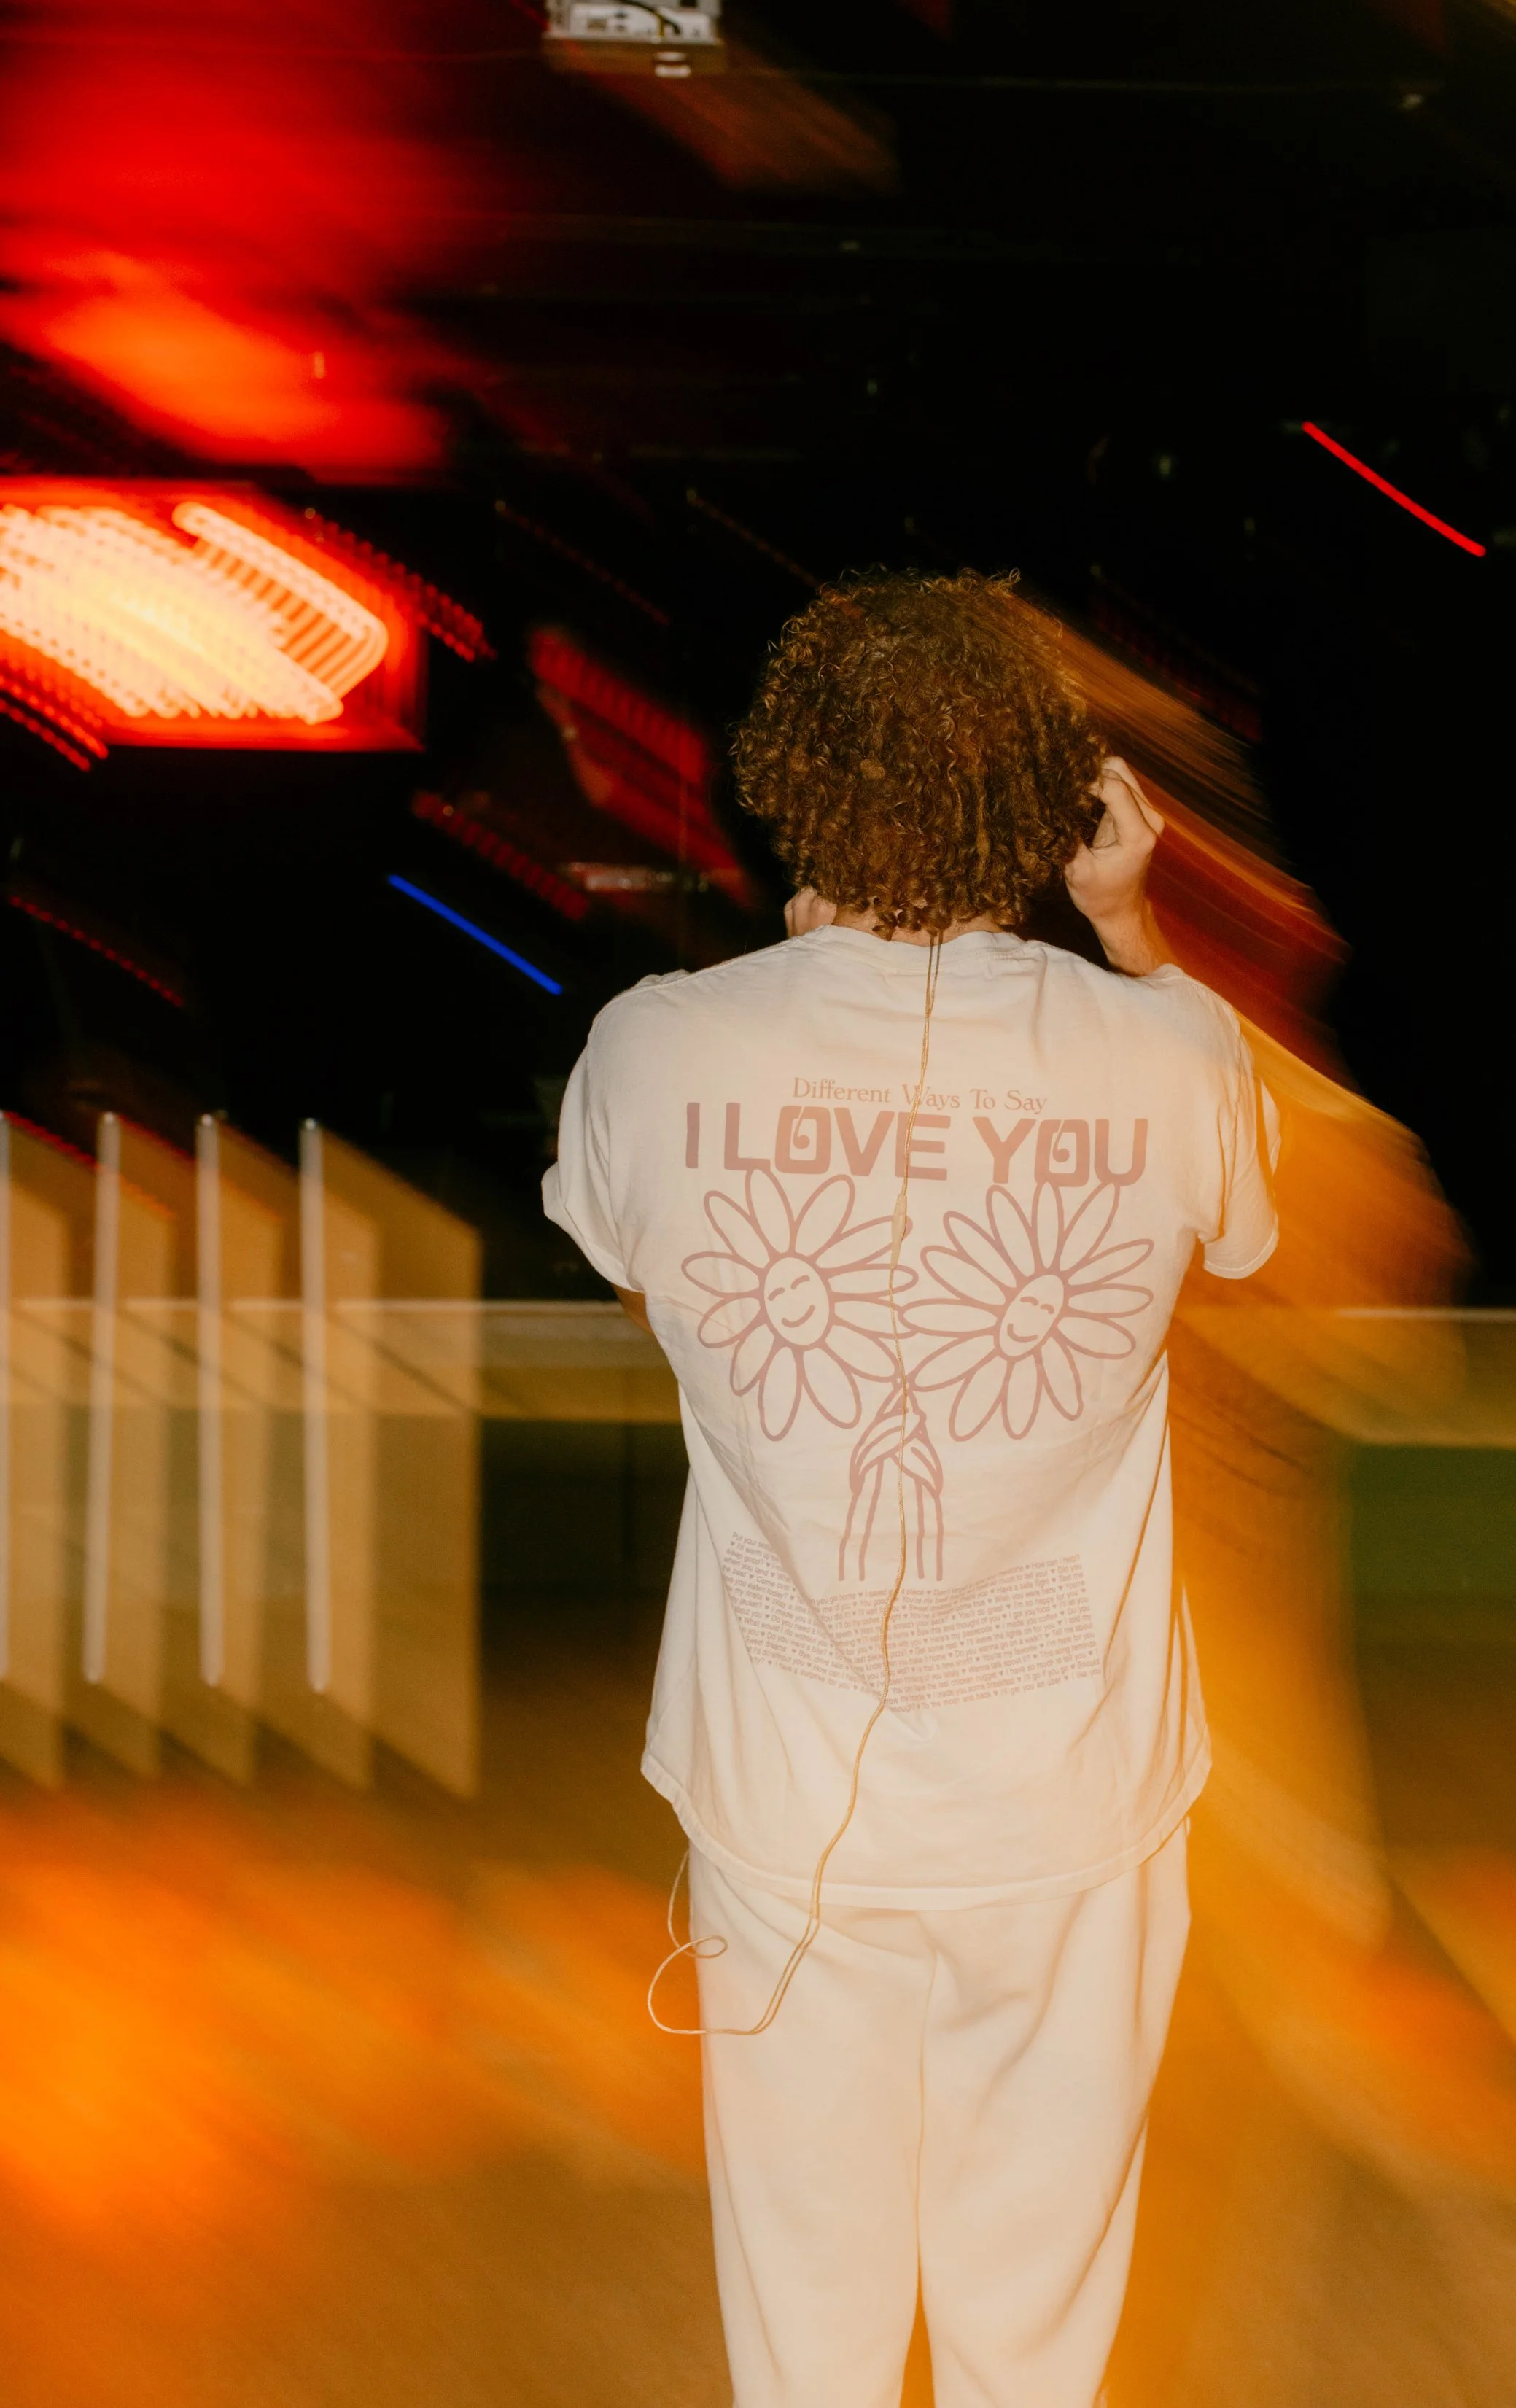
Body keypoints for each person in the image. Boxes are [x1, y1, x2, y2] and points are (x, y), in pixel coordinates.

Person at [543, 574, 1279, 2408]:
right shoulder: (1168, 1052)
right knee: (1039, 2311)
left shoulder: (654, 1043)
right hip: (1073, 1797)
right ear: (1051, 799)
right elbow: (1248, 1232)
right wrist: (1124, 933)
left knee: (806, 2320)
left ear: (785, 785)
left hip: (783, 1803)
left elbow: (617, 1241)